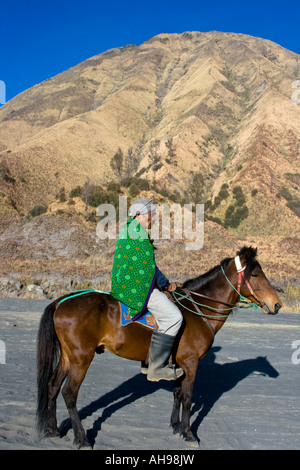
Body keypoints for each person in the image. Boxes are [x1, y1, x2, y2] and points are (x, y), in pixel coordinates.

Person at [110, 197, 184, 381]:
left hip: (122, 285)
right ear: (139, 215)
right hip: (138, 288)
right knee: (174, 318)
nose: (151, 219)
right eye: (149, 215)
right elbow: (149, 268)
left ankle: (146, 361)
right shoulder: (139, 233)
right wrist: (166, 284)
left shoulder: (128, 228)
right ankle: (156, 366)